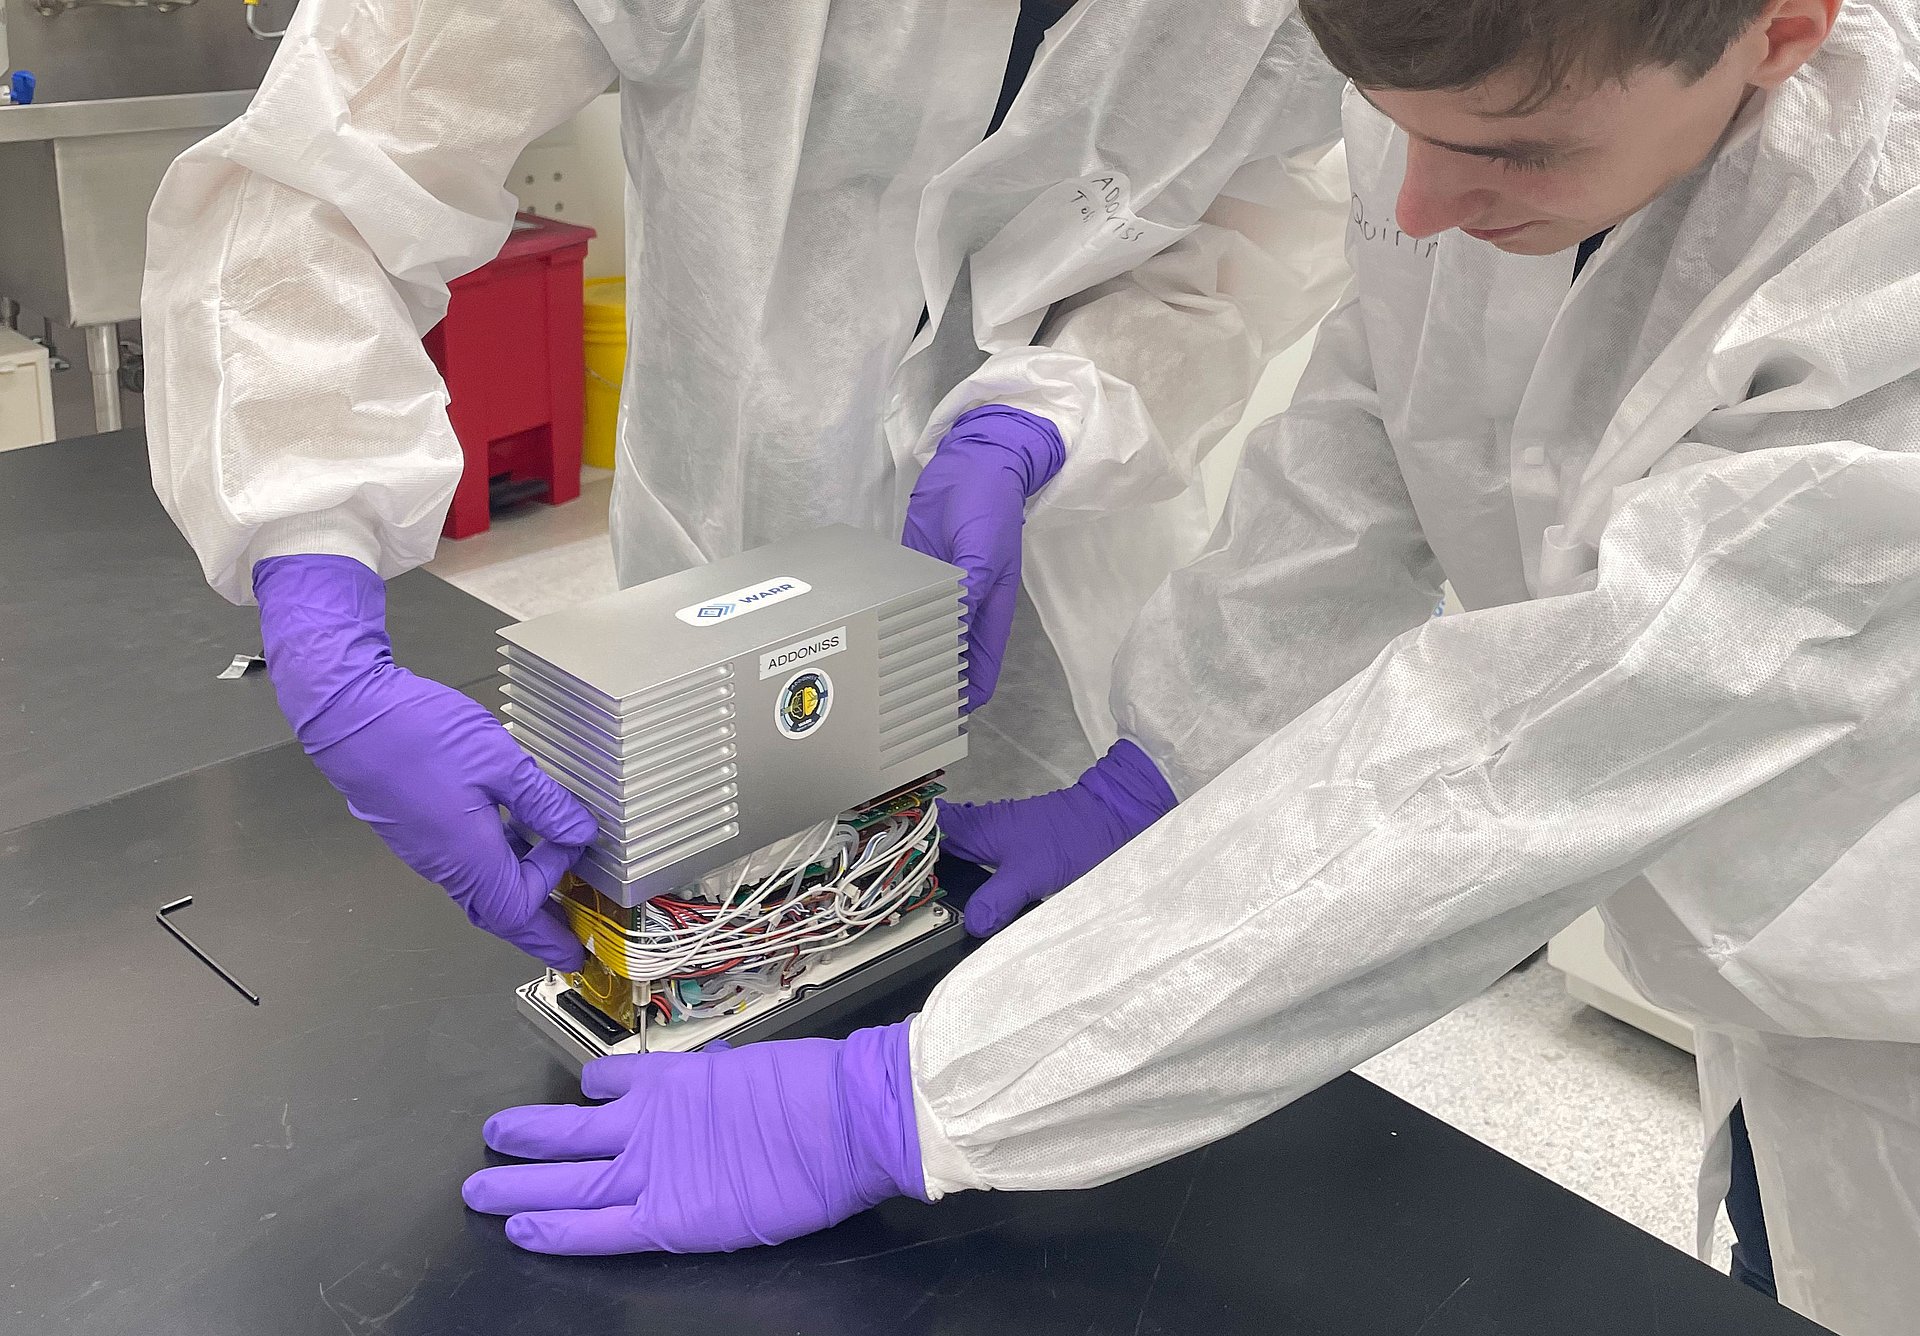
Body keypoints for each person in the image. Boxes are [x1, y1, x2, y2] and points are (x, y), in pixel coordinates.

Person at [457, 4, 1920, 1335]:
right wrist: (1164, 769)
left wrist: (908, 1101)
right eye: (1397, 131)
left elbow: (1527, 755)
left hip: (1888, 995)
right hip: (1759, 985)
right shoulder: (1498, 112)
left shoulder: (1886, 275)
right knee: (1782, 1263)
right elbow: (1366, 463)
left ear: (1783, 30)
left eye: (1510, 153)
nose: (1419, 204)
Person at [141, 1, 1353, 969]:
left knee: (1016, 983)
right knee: (719, 935)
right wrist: (313, 589)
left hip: (1068, 570)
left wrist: (1044, 417)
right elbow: (326, 167)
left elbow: (1227, 230)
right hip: (734, 536)